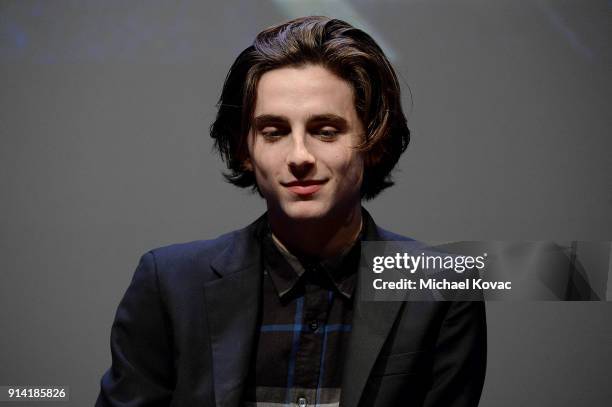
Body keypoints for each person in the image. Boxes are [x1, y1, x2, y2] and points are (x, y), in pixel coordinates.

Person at [96, 16, 486, 407]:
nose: (300, 156)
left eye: (325, 131)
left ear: (375, 141)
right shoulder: (169, 285)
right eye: (274, 132)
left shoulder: (443, 288)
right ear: (245, 151)